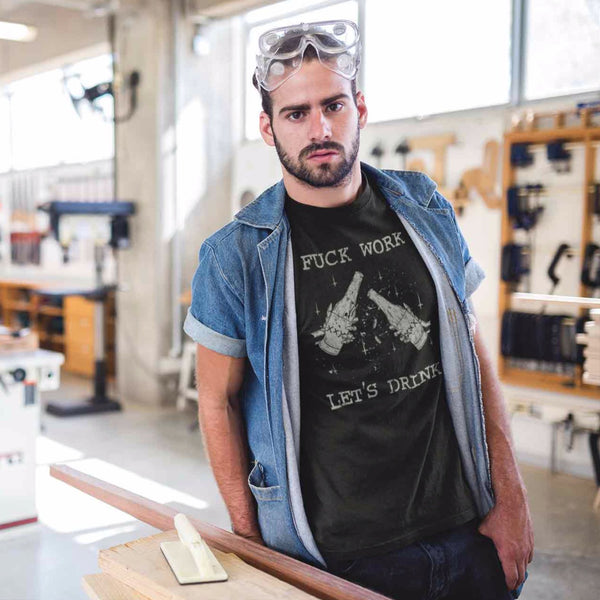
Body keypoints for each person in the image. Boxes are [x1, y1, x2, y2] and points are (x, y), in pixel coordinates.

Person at [184, 19, 533, 600]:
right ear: (268, 128)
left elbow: (472, 353)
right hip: (335, 559)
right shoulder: (235, 256)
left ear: (360, 108)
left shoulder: (423, 206)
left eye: (334, 105)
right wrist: (250, 546)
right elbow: (216, 402)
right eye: (296, 113)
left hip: (467, 530)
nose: (320, 128)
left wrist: (512, 497)